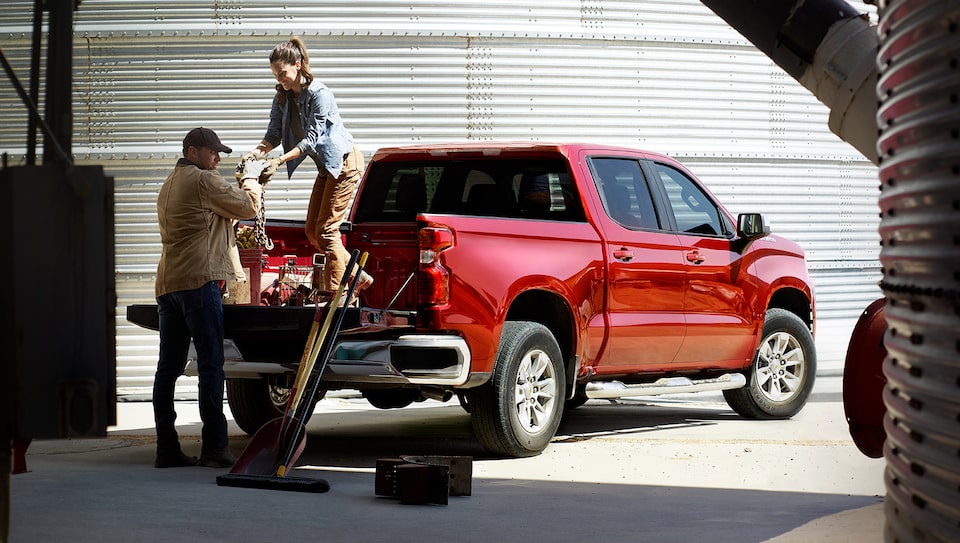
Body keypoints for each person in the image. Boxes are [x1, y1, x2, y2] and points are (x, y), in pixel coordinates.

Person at [153, 127, 269, 469]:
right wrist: (251, 179)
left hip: (168, 284)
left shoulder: (169, 184)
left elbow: (209, 218)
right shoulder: (204, 181)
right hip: (199, 282)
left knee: (168, 370)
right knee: (211, 365)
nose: (218, 157)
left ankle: (167, 449)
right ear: (193, 152)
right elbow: (248, 207)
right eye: (212, 152)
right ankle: (215, 448)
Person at [248, 36, 373, 294]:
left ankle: (337, 296)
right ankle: (357, 275)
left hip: (345, 163)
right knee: (312, 232)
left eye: (282, 73)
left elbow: (312, 139)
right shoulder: (282, 99)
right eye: (275, 75)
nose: (279, 79)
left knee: (327, 231)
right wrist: (254, 155)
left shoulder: (319, 93)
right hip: (327, 167)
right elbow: (273, 135)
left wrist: (279, 161)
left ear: (297, 64)